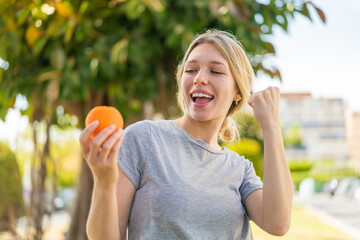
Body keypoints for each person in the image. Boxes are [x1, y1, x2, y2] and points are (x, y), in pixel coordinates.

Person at [80, 29, 293, 240]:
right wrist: (103, 182)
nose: (199, 78)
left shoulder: (240, 170)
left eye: (216, 71)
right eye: (191, 70)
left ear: (238, 92)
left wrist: (271, 126)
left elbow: (278, 223)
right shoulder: (144, 139)